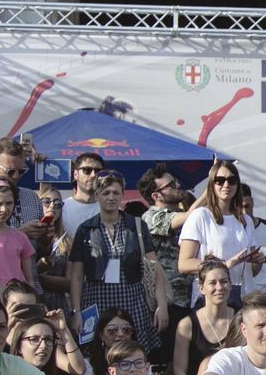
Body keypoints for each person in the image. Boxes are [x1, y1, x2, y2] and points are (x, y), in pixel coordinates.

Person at [67, 173, 167, 355]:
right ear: (96, 195)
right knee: (97, 353)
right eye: (105, 193)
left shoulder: (136, 226)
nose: (111, 197)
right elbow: (76, 275)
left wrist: (162, 306)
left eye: (115, 192)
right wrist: (76, 311)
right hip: (96, 300)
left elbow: (155, 267)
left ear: (122, 195)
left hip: (132, 299)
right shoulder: (86, 229)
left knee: (133, 351)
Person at [177, 160, 262, 308]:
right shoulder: (200, 216)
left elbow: (251, 272)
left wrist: (257, 261)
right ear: (212, 184)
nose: (226, 185)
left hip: (243, 298)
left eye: (231, 180)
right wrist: (223, 266)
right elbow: (184, 264)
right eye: (220, 180)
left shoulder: (246, 220)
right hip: (211, 298)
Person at [172, 260, 240, 375]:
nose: (220, 287)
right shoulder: (187, 325)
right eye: (213, 283)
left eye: (224, 281)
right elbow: (179, 373)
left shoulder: (241, 319)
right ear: (201, 288)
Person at [137, 165, 192, 334]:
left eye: (175, 182)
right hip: (168, 302)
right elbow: (189, 216)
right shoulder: (150, 217)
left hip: (189, 299)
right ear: (156, 196)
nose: (178, 186)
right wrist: (210, 190)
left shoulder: (182, 215)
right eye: (171, 185)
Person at [0, 179, 37, 304]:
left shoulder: (20, 237)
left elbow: (29, 279)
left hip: (17, 305)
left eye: (9, 203)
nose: (4, 209)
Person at [60, 152, 104, 242]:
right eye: (87, 170)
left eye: (98, 171)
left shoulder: (112, 210)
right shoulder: (62, 208)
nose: (93, 175)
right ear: (76, 174)